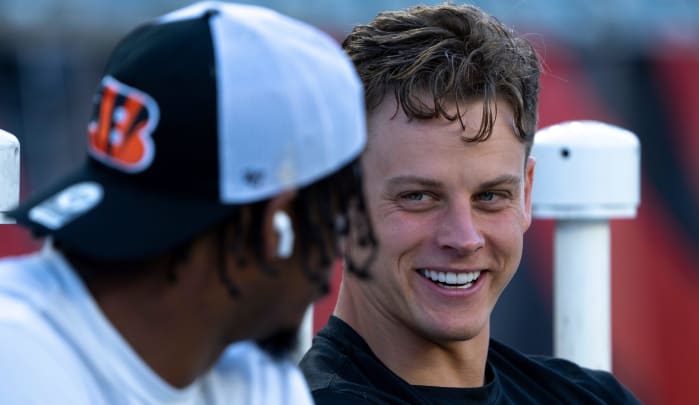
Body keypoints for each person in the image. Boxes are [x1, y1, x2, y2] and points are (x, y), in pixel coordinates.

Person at [0, 1, 368, 403]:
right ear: (275, 226)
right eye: (332, 214)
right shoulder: (17, 364)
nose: (335, 249)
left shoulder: (254, 380)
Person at [299, 3, 641, 404]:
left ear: (526, 195)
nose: (464, 238)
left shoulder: (592, 397)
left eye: (490, 197)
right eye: (419, 197)